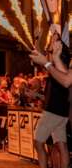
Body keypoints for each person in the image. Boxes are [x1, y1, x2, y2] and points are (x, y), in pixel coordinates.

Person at [29, 32, 70, 168]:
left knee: (38, 142)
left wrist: (48, 61)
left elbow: (65, 81)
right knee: (61, 145)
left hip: (54, 110)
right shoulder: (57, 59)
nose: (51, 41)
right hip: (61, 110)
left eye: (54, 39)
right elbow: (39, 57)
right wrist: (36, 40)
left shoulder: (62, 59)